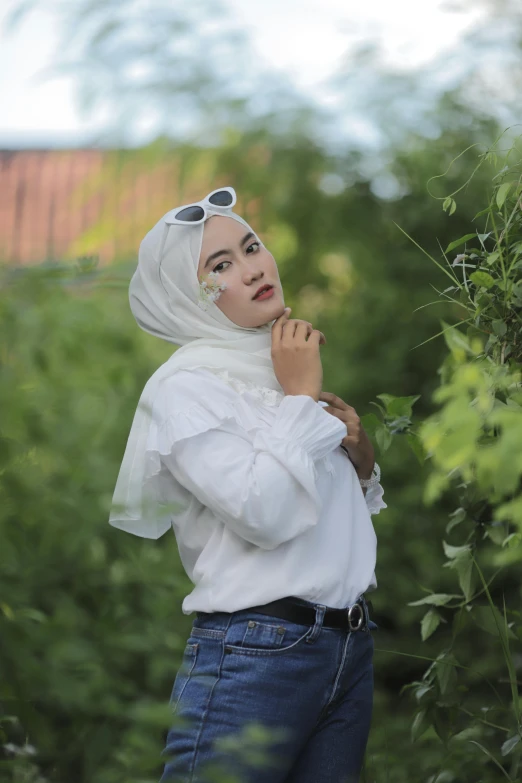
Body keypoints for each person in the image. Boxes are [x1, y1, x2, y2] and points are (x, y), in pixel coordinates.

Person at [109, 186, 386, 783]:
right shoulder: (186, 389)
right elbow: (266, 514)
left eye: (251, 246)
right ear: (190, 297)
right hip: (257, 652)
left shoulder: (275, 371)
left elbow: (329, 518)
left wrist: (360, 454)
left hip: (346, 647)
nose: (254, 266)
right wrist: (300, 401)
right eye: (220, 265)